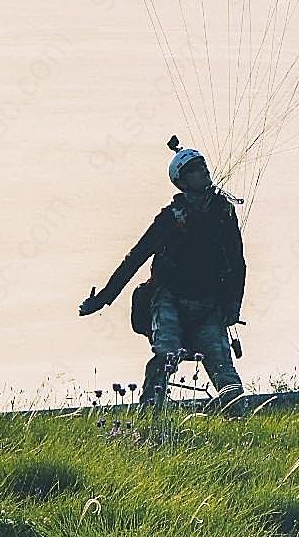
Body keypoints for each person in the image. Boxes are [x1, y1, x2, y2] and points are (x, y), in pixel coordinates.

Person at [79, 146, 245, 407]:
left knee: (223, 366)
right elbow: (135, 258)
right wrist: (102, 299)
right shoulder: (170, 219)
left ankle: (240, 422)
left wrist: (234, 304)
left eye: (202, 165)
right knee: (166, 355)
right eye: (194, 169)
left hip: (209, 305)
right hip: (170, 301)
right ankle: (151, 412)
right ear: (181, 181)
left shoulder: (223, 213)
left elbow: (237, 263)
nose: (203, 171)